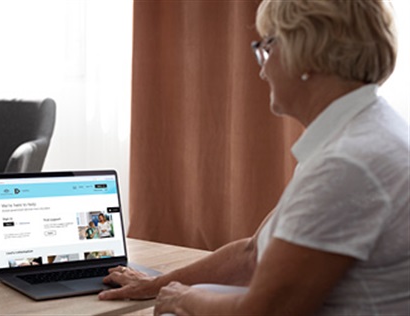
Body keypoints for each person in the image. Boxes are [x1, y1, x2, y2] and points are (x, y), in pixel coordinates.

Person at [98, 0, 409, 315]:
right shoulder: (361, 132)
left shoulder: (348, 162)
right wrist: (156, 284)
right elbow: (252, 253)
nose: (262, 70)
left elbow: (265, 311)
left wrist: (181, 298)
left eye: (268, 48)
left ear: (306, 52)